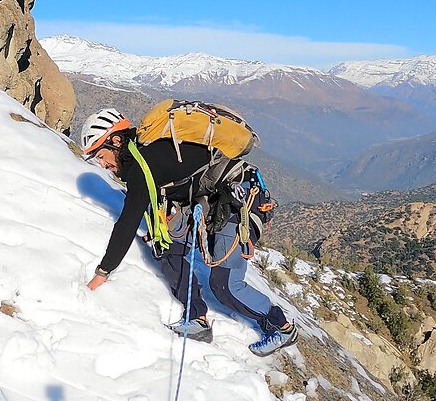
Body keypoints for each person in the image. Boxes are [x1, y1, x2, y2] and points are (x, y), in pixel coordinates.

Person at [81, 107, 298, 356]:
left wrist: (103, 272)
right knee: (169, 250)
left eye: (100, 154)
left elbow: (127, 222)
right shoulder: (144, 154)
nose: (102, 164)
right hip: (214, 200)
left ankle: (281, 326)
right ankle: (197, 319)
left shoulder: (143, 164)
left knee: (224, 284)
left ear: (116, 141)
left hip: (239, 199)